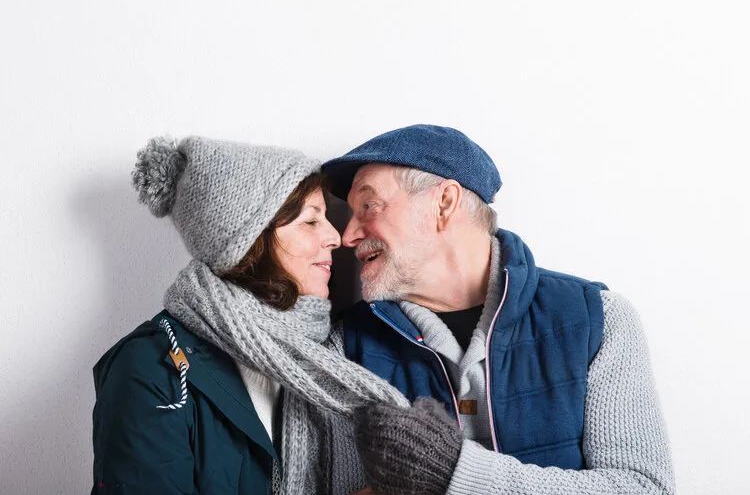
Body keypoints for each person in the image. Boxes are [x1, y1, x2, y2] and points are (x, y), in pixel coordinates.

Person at [321, 124, 675, 494]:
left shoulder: (596, 320)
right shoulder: (348, 347)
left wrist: (455, 472)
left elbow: (643, 488)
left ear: (444, 203)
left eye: (369, 206)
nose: (348, 236)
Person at [91, 136, 408, 495]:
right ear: (250, 243)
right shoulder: (151, 367)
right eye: (310, 221)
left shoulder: (328, 356)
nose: (335, 237)